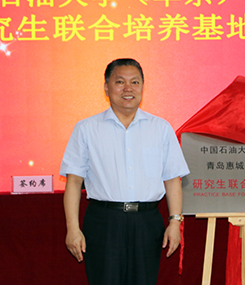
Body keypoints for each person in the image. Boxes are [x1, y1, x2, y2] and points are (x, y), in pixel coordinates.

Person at [60, 58, 190, 285]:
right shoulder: (86, 129)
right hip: (104, 222)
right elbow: (73, 182)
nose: (128, 88)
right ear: (106, 87)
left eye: (135, 82)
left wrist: (174, 222)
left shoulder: (160, 128)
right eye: (120, 82)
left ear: (143, 87)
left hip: (147, 222)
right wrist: (72, 228)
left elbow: (172, 180)